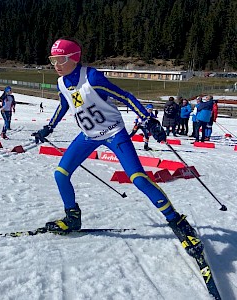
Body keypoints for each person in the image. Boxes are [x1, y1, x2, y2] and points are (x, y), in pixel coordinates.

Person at [32, 38, 203, 259]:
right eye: (53, 60)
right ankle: (72, 218)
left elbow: (125, 96)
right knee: (60, 174)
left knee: (139, 179)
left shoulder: (91, 77)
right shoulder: (62, 83)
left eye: (60, 59)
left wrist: (147, 120)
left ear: (74, 58)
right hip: (88, 136)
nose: (56, 64)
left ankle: (178, 222)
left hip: (114, 134)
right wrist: (48, 127)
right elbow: (64, 105)